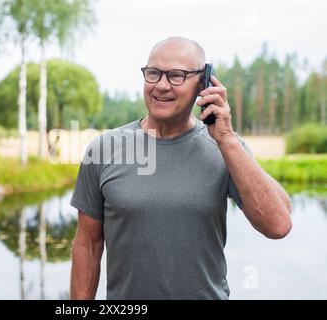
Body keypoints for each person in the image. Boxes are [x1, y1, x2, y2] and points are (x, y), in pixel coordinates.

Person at [69, 36, 292, 300]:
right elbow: (88, 245)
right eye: (153, 74)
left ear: (203, 83)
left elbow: (277, 225)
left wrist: (227, 139)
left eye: (176, 76)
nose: (161, 86)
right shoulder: (104, 149)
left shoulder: (226, 146)